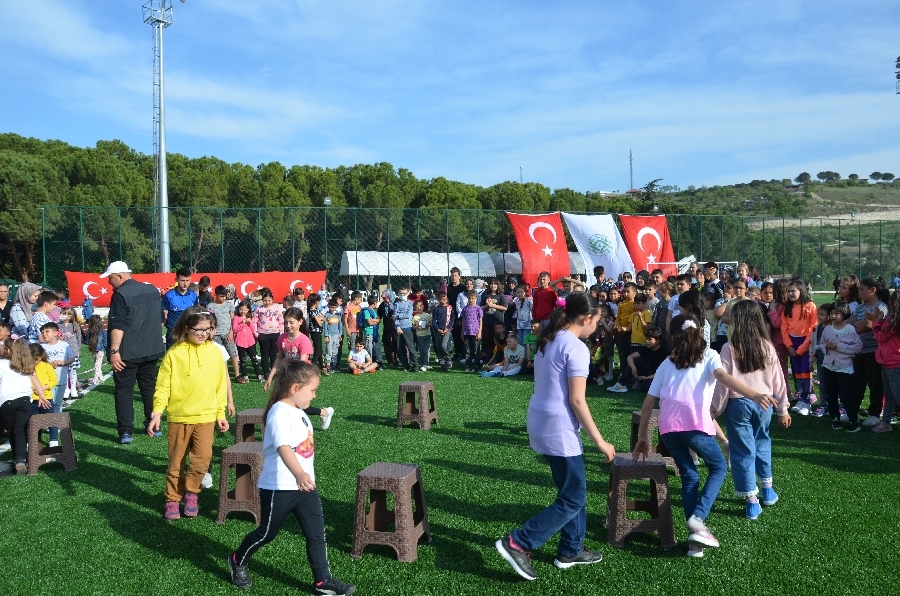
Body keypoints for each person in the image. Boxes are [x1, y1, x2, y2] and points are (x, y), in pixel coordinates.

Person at [496, 292, 615, 581]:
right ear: (585, 318)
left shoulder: (548, 339)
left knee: (572, 491)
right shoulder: (576, 347)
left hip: (541, 419)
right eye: (597, 322)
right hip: (558, 427)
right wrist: (600, 441)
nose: (597, 328)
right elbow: (577, 400)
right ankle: (519, 542)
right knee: (574, 497)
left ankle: (570, 549)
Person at [634, 314, 772, 557]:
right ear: (700, 332)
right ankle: (698, 519)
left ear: (672, 337)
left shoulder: (666, 363)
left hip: (668, 431)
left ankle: (694, 544)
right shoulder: (710, 355)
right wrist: (754, 394)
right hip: (695, 428)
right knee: (718, 467)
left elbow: (647, 405)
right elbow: (723, 377)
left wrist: (643, 438)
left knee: (689, 476)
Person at [227, 361, 355, 595]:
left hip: (305, 487)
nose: (315, 396)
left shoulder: (298, 410)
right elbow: (283, 446)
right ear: (295, 388)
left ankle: (322, 582)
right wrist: (298, 473)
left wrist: (304, 476)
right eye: (312, 390)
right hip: (280, 486)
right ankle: (237, 559)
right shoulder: (279, 411)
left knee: (317, 534)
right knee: (267, 533)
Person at [711, 300, 791, 521]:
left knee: (742, 451)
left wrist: (714, 410)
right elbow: (779, 381)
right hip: (765, 404)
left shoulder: (729, 348)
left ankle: (751, 501)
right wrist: (782, 409)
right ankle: (767, 490)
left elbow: (723, 383)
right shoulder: (767, 346)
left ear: (738, 321)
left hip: (739, 405)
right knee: (762, 442)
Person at [147, 308, 229, 520]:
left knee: (203, 459)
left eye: (207, 329)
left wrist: (220, 414)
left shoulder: (215, 353)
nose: (203, 333)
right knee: (176, 462)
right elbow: (163, 386)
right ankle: (172, 499)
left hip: (206, 416)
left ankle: (192, 493)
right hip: (179, 417)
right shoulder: (174, 353)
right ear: (186, 328)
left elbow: (220, 386)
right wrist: (157, 413)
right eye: (198, 329)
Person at [102, 261, 166, 444]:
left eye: (110, 278)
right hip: (151, 349)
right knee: (149, 388)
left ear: (120, 276)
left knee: (124, 391)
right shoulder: (152, 289)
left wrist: (114, 351)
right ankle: (154, 425)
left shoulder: (120, 294)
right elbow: (161, 318)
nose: (109, 282)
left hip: (127, 352)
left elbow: (117, 325)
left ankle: (125, 431)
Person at [0, 338, 47, 474]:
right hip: (25, 401)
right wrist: (42, 396)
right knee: (19, 430)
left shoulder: (3, 364)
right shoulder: (26, 363)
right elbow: (35, 380)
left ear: (9, 350)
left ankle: (18, 458)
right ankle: (20, 460)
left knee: (10, 431)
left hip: (7, 401)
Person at [852, 277, 890, 426]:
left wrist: (858, 324)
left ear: (873, 290)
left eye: (862, 289)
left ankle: (874, 413)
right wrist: (857, 324)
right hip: (859, 351)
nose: (859, 292)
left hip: (874, 352)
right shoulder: (861, 307)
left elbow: (865, 326)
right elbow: (847, 324)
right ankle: (853, 411)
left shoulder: (881, 307)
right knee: (857, 383)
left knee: (875, 384)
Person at [820, 301, 863, 431]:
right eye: (831, 313)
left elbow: (858, 347)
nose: (833, 316)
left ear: (844, 314)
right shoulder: (827, 329)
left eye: (837, 313)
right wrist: (826, 347)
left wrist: (838, 346)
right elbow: (821, 344)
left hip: (844, 368)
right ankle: (835, 419)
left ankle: (853, 421)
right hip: (829, 366)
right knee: (831, 395)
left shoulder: (850, 329)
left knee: (845, 395)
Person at [783, 278, 818, 416]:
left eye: (793, 291)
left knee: (806, 372)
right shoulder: (787, 307)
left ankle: (807, 401)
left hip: (806, 344)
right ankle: (801, 399)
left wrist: (803, 348)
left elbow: (813, 329)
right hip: (793, 344)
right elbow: (784, 328)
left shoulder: (810, 306)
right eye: (788, 291)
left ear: (801, 291)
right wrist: (789, 345)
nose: (790, 293)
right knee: (797, 372)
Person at [39, 321, 75, 443]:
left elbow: (71, 358)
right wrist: (49, 364)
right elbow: (38, 362)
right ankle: (48, 423)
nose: (44, 334)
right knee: (48, 403)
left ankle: (55, 423)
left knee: (57, 403)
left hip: (60, 380)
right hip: (47, 382)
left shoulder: (64, 345)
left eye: (47, 331)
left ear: (56, 333)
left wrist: (63, 362)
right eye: (42, 332)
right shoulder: (42, 347)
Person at [606, 327, 669, 393]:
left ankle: (642, 382)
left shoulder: (664, 353)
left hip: (658, 376)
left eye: (650, 339)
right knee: (636, 361)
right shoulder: (647, 348)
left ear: (657, 341)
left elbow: (662, 373)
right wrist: (633, 368)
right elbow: (630, 357)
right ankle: (621, 384)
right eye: (646, 338)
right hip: (649, 372)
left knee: (646, 387)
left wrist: (646, 378)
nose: (647, 341)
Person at [872, 290, 900, 433]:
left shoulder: (894, 321)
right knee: (889, 395)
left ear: (890, 303)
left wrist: (876, 321)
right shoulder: (891, 320)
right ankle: (886, 422)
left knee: (897, 396)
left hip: (894, 363)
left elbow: (879, 336)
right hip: (887, 361)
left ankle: (886, 422)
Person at [208, 286, 240, 381]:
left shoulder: (229, 305)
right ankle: (221, 375)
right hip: (216, 335)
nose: (224, 298)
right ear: (216, 295)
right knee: (219, 355)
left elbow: (233, 319)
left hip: (227, 334)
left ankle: (237, 375)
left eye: (225, 296)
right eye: (221, 296)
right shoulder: (210, 306)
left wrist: (231, 332)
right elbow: (210, 321)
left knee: (233, 354)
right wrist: (212, 334)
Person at [161, 268, 199, 349]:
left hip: (189, 332)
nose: (185, 283)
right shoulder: (168, 296)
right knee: (172, 356)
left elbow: (196, 314)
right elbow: (164, 315)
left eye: (187, 280)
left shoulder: (193, 295)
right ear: (176, 280)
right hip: (173, 333)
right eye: (182, 281)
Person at [254, 288, 283, 380]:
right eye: (265, 300)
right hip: (263, 334)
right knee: (264, 354)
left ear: (272, 300)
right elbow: (254, 322)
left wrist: (281, 332)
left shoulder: (276, 308)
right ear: (262, 300)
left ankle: (274, 372)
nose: (267, 302)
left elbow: (281, 321)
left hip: (275, 334)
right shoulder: (259, 309)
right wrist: (256, 333)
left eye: (269, 300)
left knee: (274, 354)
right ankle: (266, 372)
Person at [232, 301, 261, 384]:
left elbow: (253, 330)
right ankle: (245, 375)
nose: (243, 311)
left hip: (250, 341)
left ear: (248, 310)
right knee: (242, 360)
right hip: (240, 342)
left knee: (254, 358)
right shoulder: (236, 318)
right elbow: (235, 329)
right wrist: (242, 324)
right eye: (241, 309)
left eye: (244, 310)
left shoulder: (250, 318)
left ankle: (259, 374)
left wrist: (250, 322)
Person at [58, 306, 82, 397]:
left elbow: (78, 339)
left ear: (71, 316)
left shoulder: (75, 326)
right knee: (64, 372)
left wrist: (77, 351)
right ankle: (66, 389)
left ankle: (73, 389)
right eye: (62, 313)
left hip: (73, 352)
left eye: (66, 314)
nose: (63, 315)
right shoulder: (58, 326)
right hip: (62, 352)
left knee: (72, 371)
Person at [394, 287, 419, 372]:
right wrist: (397, 326)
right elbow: (394, 317)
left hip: (408, 328)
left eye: (404, 294)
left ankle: (415, 365)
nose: (402, 295)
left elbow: (408, 315)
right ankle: (406, 365)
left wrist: (398, 316)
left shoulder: (410, 303)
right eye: (400, 293)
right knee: (400, 348)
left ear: (408, 294)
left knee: (411, 347)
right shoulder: (396, 304)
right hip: (399, 329)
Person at [431, 290, 455, 371]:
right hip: (438, 330)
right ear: (438, 299)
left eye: (445, 299)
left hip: (446, 330)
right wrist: (437, 329)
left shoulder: (449, 308)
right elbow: (433, 320)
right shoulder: (436, 309)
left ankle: (448, 359)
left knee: (443, 346)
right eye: (441, 299)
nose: (443, 301)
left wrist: (448, 328)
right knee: (438, 347)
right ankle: (442, 362)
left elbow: (452, 319)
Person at [461, 291, 483, 372]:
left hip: (475, 332)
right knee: (467, 350)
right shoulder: (465, 308)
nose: (471, 300)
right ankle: (468, 365)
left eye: (472, 298)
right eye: (469, 298)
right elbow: (463, 320)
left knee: (476, 350)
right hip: (466, 332)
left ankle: (477, 365)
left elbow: (480, 321)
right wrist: (462, 332)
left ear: (476, 298)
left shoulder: (478, 308)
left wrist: (479, 331)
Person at [84, 314, 107, 386]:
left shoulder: (89, 331)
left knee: (97, 365)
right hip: (100, 350)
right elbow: (105, 341)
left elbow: (86, 341)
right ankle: (101, 378)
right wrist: (106, 349)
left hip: (93, 349)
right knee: (97, 365)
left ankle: (95, 379)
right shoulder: (103, 331)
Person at [411, 300, 433, 371]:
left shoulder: (427, 315)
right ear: (415, 308)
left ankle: (426, 364)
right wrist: (417, 327)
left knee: (426, 350)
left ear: (423, 306)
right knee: (422, 350)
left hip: (427, 335)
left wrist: (428, 325)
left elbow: (431, 323)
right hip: (419, 336)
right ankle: (423, 364)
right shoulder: (415, 317)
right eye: (417, 307)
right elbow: (413, 326)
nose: (419, 308)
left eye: (420, 306)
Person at [378, 291, 398, 366]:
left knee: (397, 343)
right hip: (387, 327)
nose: (384, 300)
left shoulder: (397, 303)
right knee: (387, 343)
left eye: (385, 298)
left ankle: (399, 359)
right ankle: (390, 360)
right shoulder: (383, 305)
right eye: (383, 298)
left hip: (396, 327)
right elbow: (379, 315)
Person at [323, 299, 343, 374]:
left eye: (335, 307)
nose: (333, 309)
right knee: (329, 351)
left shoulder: (338, 315)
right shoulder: (327, 315)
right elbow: (325, 326)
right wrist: (326, 336)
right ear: (328, 306)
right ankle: (328, 365)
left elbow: (340, 325)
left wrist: (340, 334)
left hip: (336, 336)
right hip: (329, 335)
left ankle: (334, 365)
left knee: (335, 351)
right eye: (332, 307)